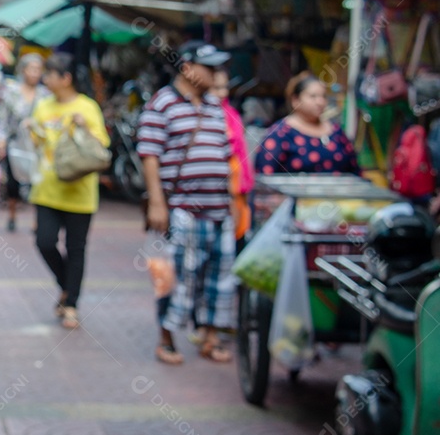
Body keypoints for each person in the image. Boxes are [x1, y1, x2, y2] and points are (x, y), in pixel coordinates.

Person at [137, 41, 235, 365]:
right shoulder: (162, 103)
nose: (217, 75)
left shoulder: (213, 105)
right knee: (174, 277)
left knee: (217, 279)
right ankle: (166, 339)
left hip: (218, 209)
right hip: (181, 209)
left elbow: (224, 153)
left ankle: (209, 336)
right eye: (211, 68)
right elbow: (150, 155)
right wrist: (157, 203)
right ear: (188, 68)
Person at [28, 53, 109, 330]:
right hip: (48, 189)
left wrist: (85, 127)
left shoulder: (87, 108)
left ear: (66, 78)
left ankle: (71, 303)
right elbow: (37, 145)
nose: (45, 79)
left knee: (76, 248)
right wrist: (31, 130)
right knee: (45, 242)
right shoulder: (42, 106)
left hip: (80, 191)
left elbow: (101, 147)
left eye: (50, 74)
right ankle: (66, 286)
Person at [255, 72, 360, 176]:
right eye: (313, 96)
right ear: (295, 100)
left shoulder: (336, 131)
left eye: (323, 96)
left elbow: (355, 170)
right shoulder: (280, 134)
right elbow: (265, 177)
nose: (320, 102)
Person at [0, 53, 49, 232]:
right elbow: (2, 119)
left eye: (38, 69)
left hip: (37, 144)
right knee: (12, 181)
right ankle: (12, 215)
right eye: (31, 69)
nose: (34, 73)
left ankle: (36, 219)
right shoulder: (11, 91)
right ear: (23, 70)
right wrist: (0, 140)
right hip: (15, 143)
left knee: (37, 180)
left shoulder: (45, 95)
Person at [211, 69, 255, 245]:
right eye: (216, 88)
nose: (223, 93)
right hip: (214, 190)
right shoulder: (203, 116)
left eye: (224, 87)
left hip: (235, 189)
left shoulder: (231, 114)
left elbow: (241, 153)